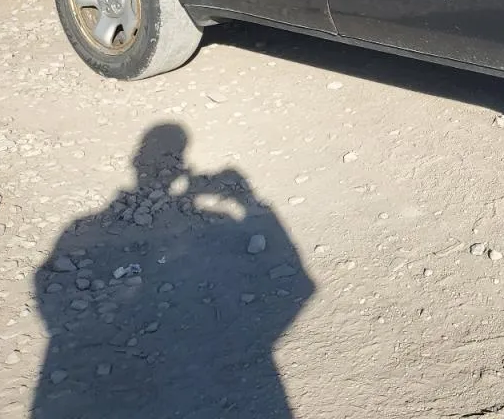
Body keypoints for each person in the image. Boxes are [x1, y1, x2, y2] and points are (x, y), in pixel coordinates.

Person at [33, 123, 314, 419]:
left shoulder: (82, 228)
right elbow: (301, 287)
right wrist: (248, 199)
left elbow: (45, 289)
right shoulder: (215, 217)